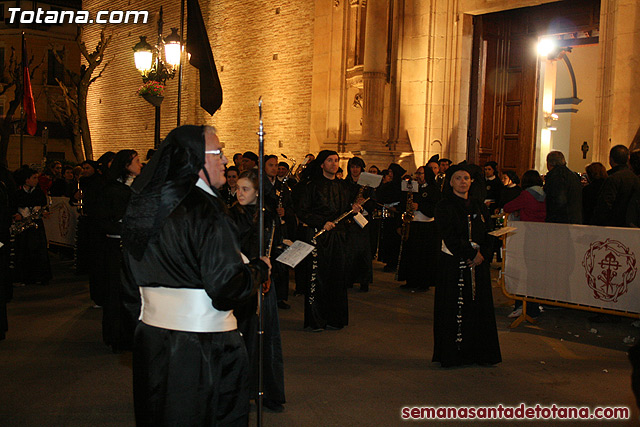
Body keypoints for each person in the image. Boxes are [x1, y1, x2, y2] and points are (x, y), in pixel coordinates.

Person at [121, 125, 270, 426]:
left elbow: (126, 279)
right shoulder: (208, 211)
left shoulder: (143, 204)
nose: (226, 160)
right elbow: (226, 286)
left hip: (152, 339)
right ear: (194, 159)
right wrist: (259, 270)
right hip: (202, 347)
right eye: (218, 152)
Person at [228, 169, 286, 412]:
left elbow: (275, 247)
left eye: (245, 189)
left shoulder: (268, 216)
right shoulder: (231, 215)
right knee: (242, 337)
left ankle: (268, 391)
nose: (239, 193)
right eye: (238, 188)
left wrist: (272, 267)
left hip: (264, 281)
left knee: (267, 337)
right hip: (242, 281)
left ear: (257, 192)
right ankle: (240, 392)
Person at [433, 165, 501, 368]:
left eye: (466, 178)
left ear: (471, 181)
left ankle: (479, 352)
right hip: (454, 263)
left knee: (479, 308)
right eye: (458, 178)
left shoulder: (479, 205)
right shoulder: (444, 206)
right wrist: (471, 253)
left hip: (478, 265)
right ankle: (454, 354)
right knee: (454, 308)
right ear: (451, 182)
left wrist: (483, 255)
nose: (463, 181)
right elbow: (449, 234)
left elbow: (490, 232)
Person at [294, 150, 360, 331]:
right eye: (330, 160)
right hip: (318, 235)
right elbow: (302, 211)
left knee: (337, 277)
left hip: (338, 237)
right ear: (322, 164)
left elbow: (345, 211)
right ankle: (316, 320)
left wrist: (352, 209)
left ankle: (334, 318)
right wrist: (322, 222)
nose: (334, 163)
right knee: (318, 278)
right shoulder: (311, 186)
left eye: (336, 160)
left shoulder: (343, 186)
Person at [97, 150, 142, 353]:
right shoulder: (113, 190)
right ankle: (118, 335)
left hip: (130, 248)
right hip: (116, 248)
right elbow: (105, 222)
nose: (140, 164)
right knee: (117, 292)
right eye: (137, 161)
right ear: (126, 165)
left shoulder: (134, 187)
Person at [503, 170, 546, 318]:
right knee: (537, 272)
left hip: (527, 236)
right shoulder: (546, 194)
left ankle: (523, 305)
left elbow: (508, 207)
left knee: (524, 271)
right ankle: (535, 304)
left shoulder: (527, 195)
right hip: (544, 236)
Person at [397, 165, 441, 292]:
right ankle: (411, 280)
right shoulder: (413, 188)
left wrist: (419, 206)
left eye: (421, 173)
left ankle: (424, 282)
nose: (419, 176)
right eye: (417, 173)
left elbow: (435, 208)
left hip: (426, 226)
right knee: (412, 254)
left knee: (424, 256)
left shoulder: (434, 189)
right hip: (413, 224)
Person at [12, 167, 52, 286]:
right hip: (23, 227)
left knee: (39, 250)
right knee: (24, 250)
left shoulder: (38, 192)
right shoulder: (18, 193)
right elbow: (14, 208)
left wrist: (44, 213)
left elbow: (44, 206)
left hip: (36, 225)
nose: (36, 180)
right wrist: (17, 215)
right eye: (34, 178)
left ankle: (40, 276)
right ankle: (25, 277)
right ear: (26, 180)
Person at [344, 156, 373, 292]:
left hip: (363, 221)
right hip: (349, 221)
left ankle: (364, 281)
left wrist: (364, 204)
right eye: (352, 167)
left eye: (357, 167)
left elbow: (375, 203)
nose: (355, 170)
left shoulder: (368, 186)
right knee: (349, 252)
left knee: (363, 252)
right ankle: (348, 279)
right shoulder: (345, 184)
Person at [592, 145, 640, 227]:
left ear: (611, 159)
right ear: (628, 159)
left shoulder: (613, 178)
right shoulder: (635, 178)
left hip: (613, 226)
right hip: (631, 225)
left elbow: (605, 205)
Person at [375, 163, 406, 272]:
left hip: (397, 216)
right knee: (387, 238)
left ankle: (395, 262)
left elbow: (404, 200)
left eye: (392, 172)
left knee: (395, 240)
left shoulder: (402, 185)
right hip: (388, 216)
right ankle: (389, 261)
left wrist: (397, 208)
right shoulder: (389, 185)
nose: (390, 174)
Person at [544, 151, 582, 224]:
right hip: (574, 217)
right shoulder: (573, 175)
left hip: (560, 220)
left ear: (549, 164)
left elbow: (559, 200)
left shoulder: (555, 176)